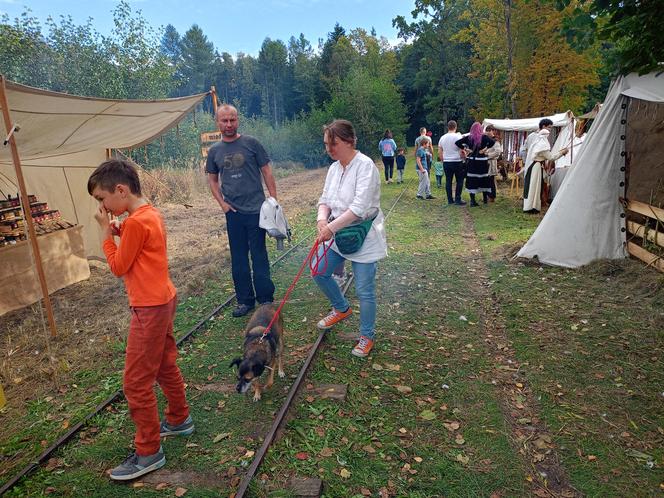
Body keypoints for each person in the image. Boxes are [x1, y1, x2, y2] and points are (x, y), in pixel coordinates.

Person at [88, 159, 193, 481]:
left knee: (135, 383)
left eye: (102, 199)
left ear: (120, 190)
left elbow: (119, 266)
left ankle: (148, 451)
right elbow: (139, 243)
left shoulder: (134, 223)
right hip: (163, 298)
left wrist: (106, 235)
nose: (103, 206)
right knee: (163, 364)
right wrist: (119, 228)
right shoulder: (148, 213)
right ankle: (179, 418)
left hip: (148, 307)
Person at [313, 119, 388, 358]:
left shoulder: (365, 166)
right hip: (337, 232)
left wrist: (330, 228)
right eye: (326, 144)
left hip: (362, 235)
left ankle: (367, 336)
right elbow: (325, 199)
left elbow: (358, 208)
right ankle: (341, 308)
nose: (328, 149)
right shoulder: (334, 168)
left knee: (364, 290)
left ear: (348, 141)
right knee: (318, 270)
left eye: (332, 144)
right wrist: (321, 221)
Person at [206, 104, 277, 317]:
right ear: (217, 123)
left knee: (259, 255)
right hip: (233, 213)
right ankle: (244, 301)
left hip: (256, 210)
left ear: (238, 120)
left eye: (232, 120)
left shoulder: (251, 143)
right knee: (238, 258)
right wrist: (222, 204)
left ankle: (265, 299)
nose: (229, 124)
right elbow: (212, 179)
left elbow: (266, 170)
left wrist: (273, 200)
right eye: (224, 121)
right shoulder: (215, 151)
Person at [523, 128, 568, 213]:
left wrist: (561, 152)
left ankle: (531, 206)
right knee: (534, 187)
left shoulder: (537, 143)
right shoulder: (542, 146)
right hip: (536, 168)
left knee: (533, 187)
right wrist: (562, 153)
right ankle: (532, 207)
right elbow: (551, 157)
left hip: (535, 167)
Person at [455, 122, 495, 206]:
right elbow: (492, 142)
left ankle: (473, 201)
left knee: (472, 179)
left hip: (472, 160)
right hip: (482, 160)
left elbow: (458, 142)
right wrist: (485, 149)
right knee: (483, 178)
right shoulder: (484, 137)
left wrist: (466, 149)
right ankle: (485, 199)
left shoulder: (469, 137)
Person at [438, 120, 466, 206]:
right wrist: (464, 157)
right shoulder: (458, 137)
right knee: (459, 180)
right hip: (457, 161)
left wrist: (443, 160)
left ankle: (450, 199)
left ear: (448, 127)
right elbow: (462, 150)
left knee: (448, 181)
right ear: (456, 127)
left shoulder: (442, 138)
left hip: (447, 161)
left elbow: (440, 151)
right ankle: (458, 199)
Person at [485, 125, 503, 202]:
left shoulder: (495, 141)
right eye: (487, 131)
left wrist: (488, 155)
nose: (488, 132)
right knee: (486, 180)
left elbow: (497, 152)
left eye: (489, 130)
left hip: (491, 162)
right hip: (486, 163)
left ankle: (492, 197)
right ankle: (487, 196)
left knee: (491, 180)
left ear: (493, 131)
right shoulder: (487, 139)